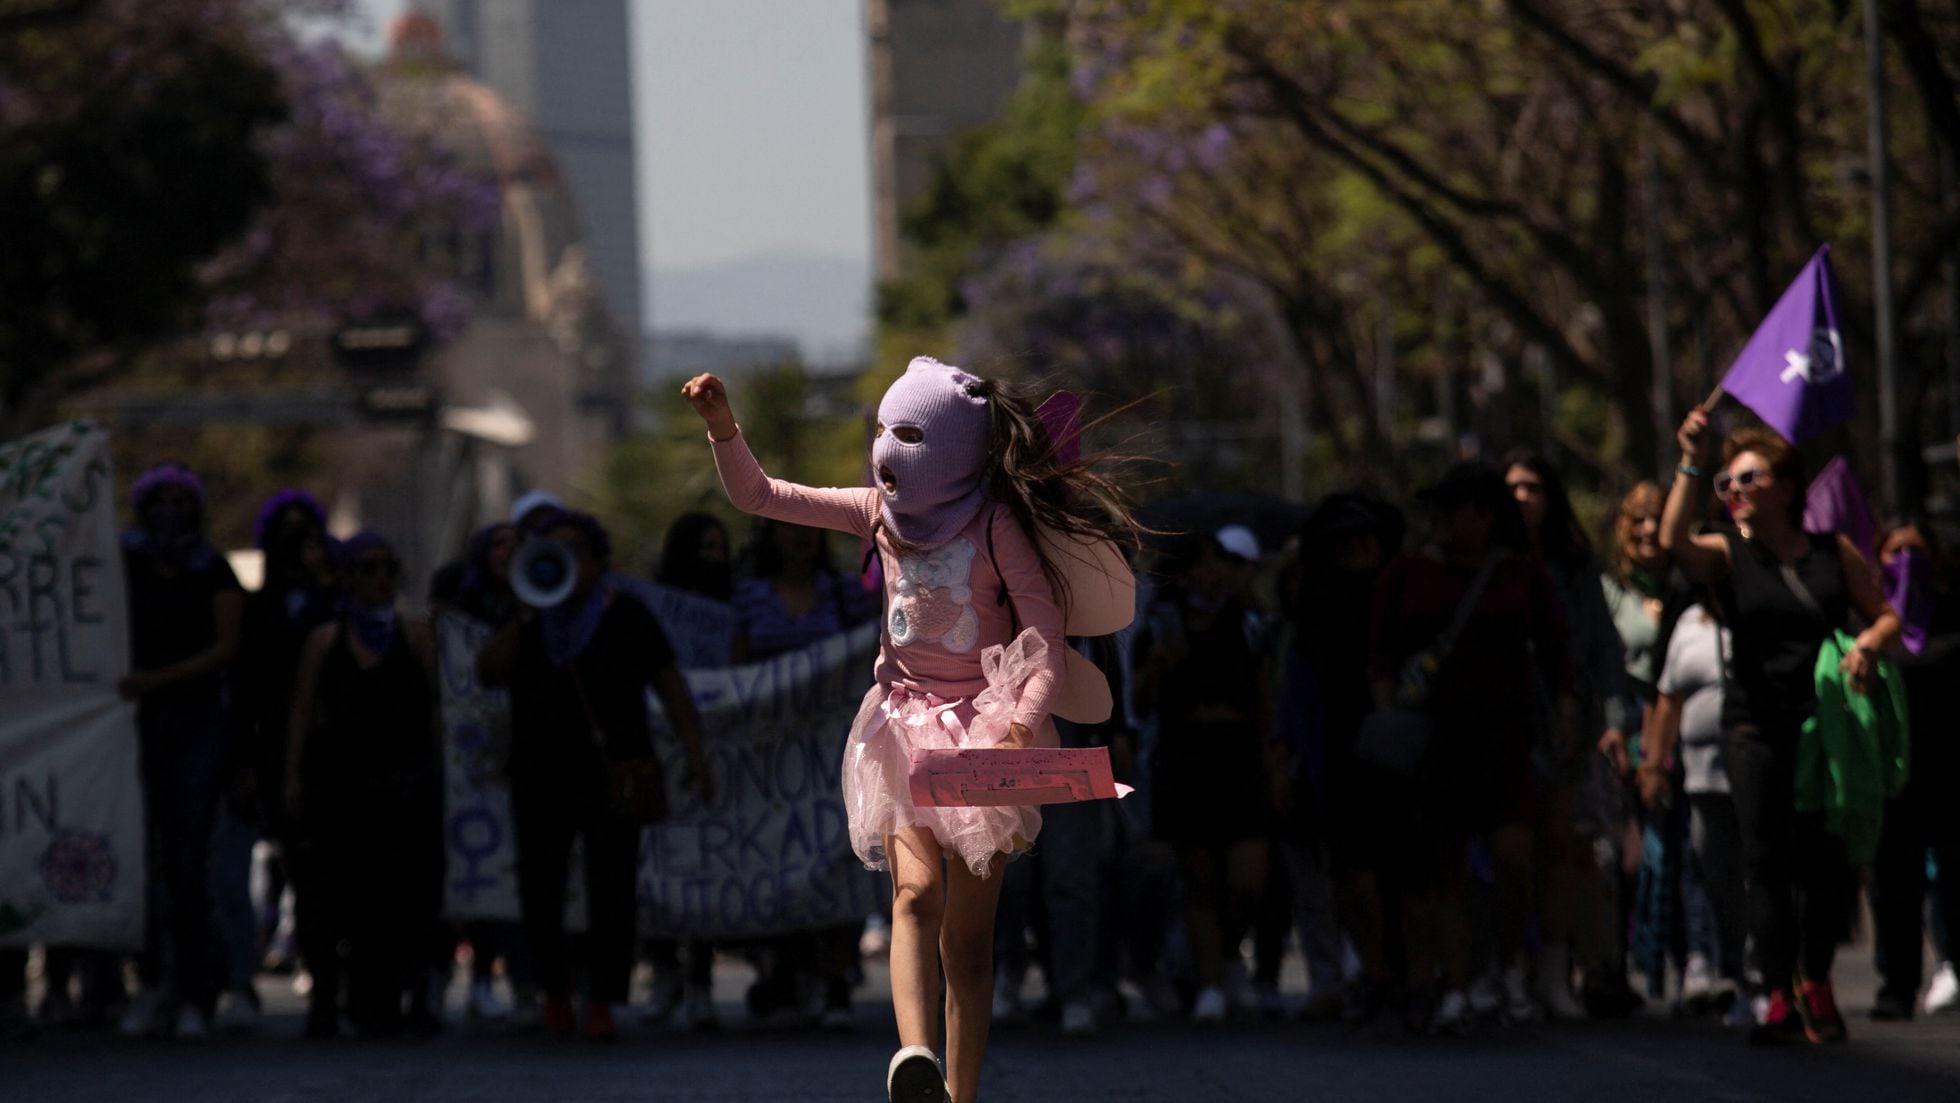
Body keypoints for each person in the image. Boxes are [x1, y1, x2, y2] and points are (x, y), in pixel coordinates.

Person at [684, 357, 1139, 1103]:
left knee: (966, 942)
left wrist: (1021, 725)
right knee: (912, 898)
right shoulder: (873, 511)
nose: (890, 448)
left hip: (985, 743)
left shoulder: (995, 525)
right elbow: (761, 495)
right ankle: (915, 1057)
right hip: (900, 731)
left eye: (910, 433)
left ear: (955, 451)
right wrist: (722, 427)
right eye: (885, 429)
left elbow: (1047, 645)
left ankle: (962, 1092)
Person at [1662, 410, 1902, 1044]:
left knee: (1822, 859)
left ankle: (1815, 978)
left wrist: (1869, 645)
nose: (1734, 491)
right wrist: (1692, 459)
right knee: (1765, 858)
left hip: (1822, 724)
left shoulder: (1832, 552)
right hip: (1754, 726)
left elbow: (1883, 615)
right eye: (1726, 482)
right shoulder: (1729, 551)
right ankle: (1775, 993)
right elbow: (1675, 542)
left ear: (1787, 486)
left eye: (1747, 477)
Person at [476, 510, 713, 1043]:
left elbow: (670, 685)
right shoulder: (532, 621)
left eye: (574, 553)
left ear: (598, 562)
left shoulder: (627, 614)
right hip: (539, 774)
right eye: (551, 553)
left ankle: (602, 998)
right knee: (542, 888)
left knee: (613, 889)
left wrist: (695, 755)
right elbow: (486, 670)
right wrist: (525, 610)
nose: (565, 564)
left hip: (614, 774)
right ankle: (555, 994)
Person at [1367, 461, 1575, 1035]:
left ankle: (1507, 968)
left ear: (1485, 516)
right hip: (1434, 739)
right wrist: (1388, 716)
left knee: (1513, 857)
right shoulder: (1407, 573)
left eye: (1452, 508)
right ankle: (1456, 986)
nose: (1440, 519)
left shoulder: (1520, 574)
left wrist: (1564, 708)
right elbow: (1381, 651)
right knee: (1446, 868)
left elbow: (1556, 649)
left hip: (1505, 737)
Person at [285, 532, 443, 1038]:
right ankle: (329, 999)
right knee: (329, 898)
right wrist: (292, 776)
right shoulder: (325, 640)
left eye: (388, 569)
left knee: (398, 896)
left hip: (402, 783)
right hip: (339, 784)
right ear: (348, 577)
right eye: (368, 568)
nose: (380, 580)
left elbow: (439, 709)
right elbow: (302, 712)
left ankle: (392, 998)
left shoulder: (416, 635)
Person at [731, 518, 877, 1030]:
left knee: (837, 861)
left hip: (831, 755)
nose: (799, 538)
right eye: (788, 529)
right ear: (769, 538)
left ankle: (836, 980)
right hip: (773, 762)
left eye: (808, 529)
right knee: (781, 861)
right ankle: (789, 976)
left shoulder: (843, 596)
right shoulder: (748, 598)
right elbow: (738, 674)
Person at [1503, 452, 1634, 1022]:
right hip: (1501, 725)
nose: (1522, 498)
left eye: (1533, 486)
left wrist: (1612, 721)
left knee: (1565, 849)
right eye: (1511, 488)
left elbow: (1604, 646)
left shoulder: (1575, 565)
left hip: (1565, 723)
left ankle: (1560, 972)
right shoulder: (1485, 561)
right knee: (1509, 852)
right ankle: (1507, 972)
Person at [118, 463, 245, 1041]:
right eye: (159, 499)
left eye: (181, 499)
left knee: (189, 864)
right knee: (140, 862)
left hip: (195, 724)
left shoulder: (213, 570)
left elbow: (227, 648)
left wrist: (159, 680)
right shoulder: (125, 567)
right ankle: (150, 984)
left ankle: (198, 991)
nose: (171, 509)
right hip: (133, 726)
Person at [1133, 526, 1276, 1024]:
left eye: (1220, 560)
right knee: (1199, 876)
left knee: (1248, 879)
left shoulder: (1251, 624)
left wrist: (1271, 765)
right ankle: (1212, 981)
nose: (1211, 571)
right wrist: (1158, 667)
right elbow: (1142, 703)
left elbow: (1265, 700)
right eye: (1202, 561)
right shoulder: (1163, 625)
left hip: (1238, 757)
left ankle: (1228, 953)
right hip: (1185, 757)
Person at [1276, 493, 1404, 1022]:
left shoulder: (1404, 599)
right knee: (1352, 871)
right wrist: (1287, 760)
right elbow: (1296, 695)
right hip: (1337, 757)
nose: (1359, 548)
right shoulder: (1312, 612)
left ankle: (1409, 973)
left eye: (1366, 537)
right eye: (1346, 540)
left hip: (1402, 755)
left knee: (1404, 871)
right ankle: (1374, 974)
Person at [219, 489, 337, 1032]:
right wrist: (246, 762)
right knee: (294, 871)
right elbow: (247, 691)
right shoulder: (260, 608)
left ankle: (337, 983)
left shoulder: (340, 602)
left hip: (339, 755)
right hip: (274, 753)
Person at [1636, 599, 1752, 1028]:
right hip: (1700, 777)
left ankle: (1748, 970)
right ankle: (1707, 961)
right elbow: (1668, 697)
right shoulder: (1687, 622)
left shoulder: (1756, 610)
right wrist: (1654, 764)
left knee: (1754, 868)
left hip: (1753, 768)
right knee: (1705, 867)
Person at [643, 509, 735, 1031]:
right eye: (703, 548)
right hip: (660, 745)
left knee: (705, 866)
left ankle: (698, 977)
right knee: (658, 862)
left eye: (719, 548)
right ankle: (663, 971)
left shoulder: (735, 607)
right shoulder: (649, 611)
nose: (713, 559)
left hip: (721, 746)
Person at [1865, 518, 1960, 1021]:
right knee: (1894, 883)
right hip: (1894, 777)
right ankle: (1896, 982)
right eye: (1894, 552)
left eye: (1915, 552)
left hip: (1949, 771)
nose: (1905, 562)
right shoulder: (1873, 625)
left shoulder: (1950, 617)